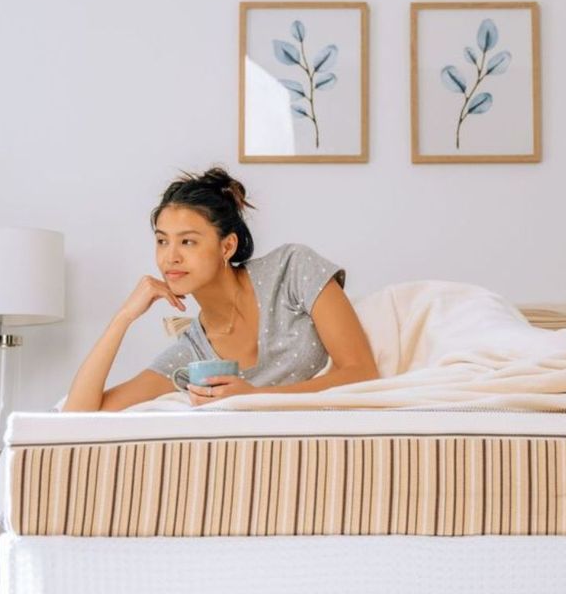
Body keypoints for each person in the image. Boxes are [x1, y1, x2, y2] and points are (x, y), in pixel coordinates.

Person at [63, 167, 379, 411]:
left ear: (227, 246)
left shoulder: (293, 268)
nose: (170, 256)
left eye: (187, 241)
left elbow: (362, 372)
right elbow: (79, 414)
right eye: (162, 241)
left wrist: (255, 398)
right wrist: (124, 316)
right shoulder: (193, 354)